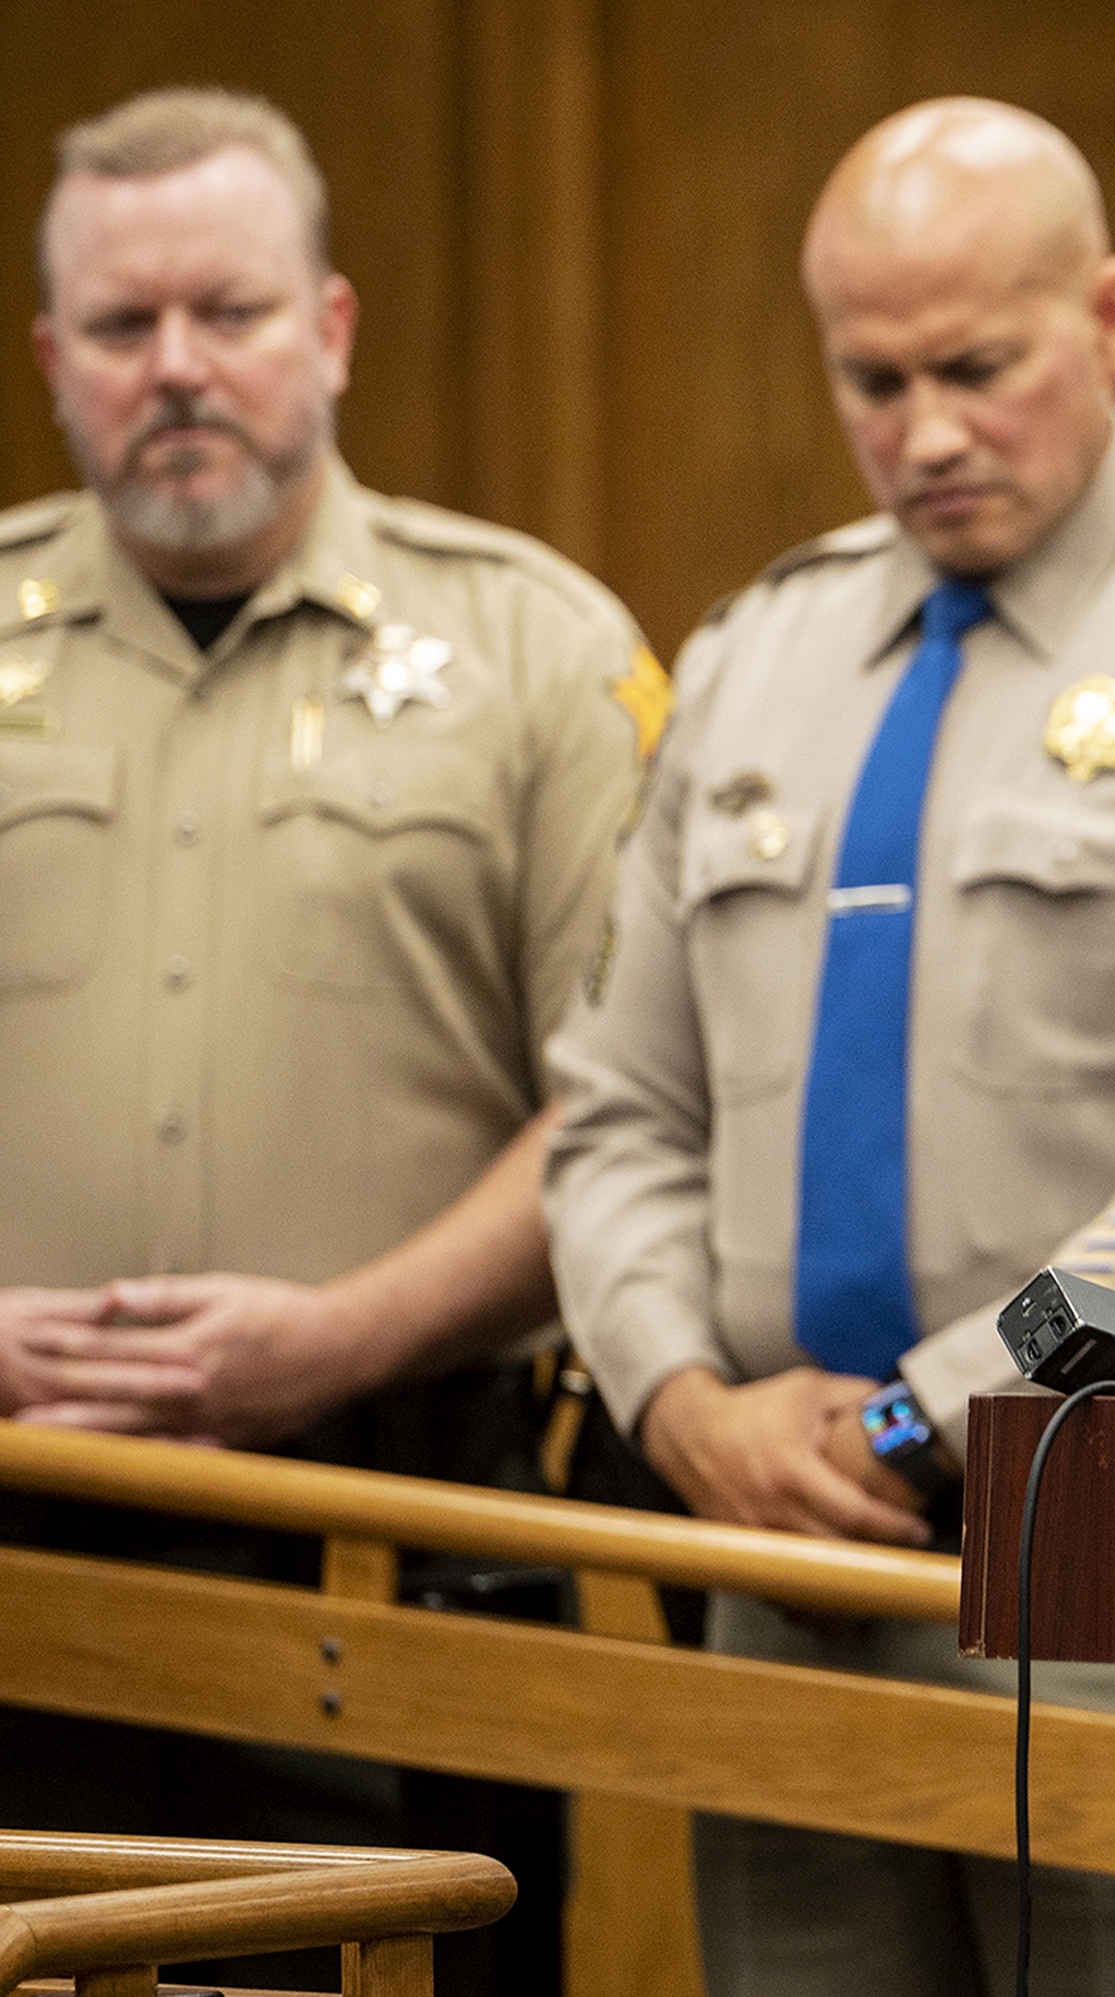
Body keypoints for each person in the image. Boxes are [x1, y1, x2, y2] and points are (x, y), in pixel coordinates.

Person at [542, 98, 1115, 1997]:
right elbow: (619, 1110)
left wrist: (926, 1410)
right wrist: (680, 1399)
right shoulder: (756, 654)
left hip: (1106, 1553)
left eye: (978, 368)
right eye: (873, 378)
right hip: (780, 1557)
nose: (925, 431)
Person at [0, 87, 653, 1994]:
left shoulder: (539, 653)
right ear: (54, 360)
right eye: (123, 329)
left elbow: (620, 1112)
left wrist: (345, 1334)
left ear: (335, 329)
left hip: (398, 1522)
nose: (177, 368)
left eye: (232, 311)